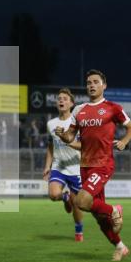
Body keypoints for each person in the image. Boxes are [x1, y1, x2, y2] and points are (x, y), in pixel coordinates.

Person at [55, 69, 131, 261]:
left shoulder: (113, 108)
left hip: (103, 164)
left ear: (104, 86)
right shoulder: (79, 110)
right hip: (85, 166)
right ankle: (120, 246)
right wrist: (62, 134)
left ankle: (114, 210)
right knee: (98, 217)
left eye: (95, 82)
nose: (91, 85)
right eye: (88, 82)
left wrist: (124, 141)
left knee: (81, 201)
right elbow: (71, 137)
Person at [43, 88, 85, 241]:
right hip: (59, 166)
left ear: (72, 103)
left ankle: (79, 230)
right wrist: (47, 166)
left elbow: (84, 146)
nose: (61, 100)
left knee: (77, 204)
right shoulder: (51, 123)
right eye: (59, 98)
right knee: (53, 195)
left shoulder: (78, 123)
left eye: (65, 99)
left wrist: (68, 140)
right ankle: (64, 196)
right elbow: (51, 146)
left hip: (76, 168)